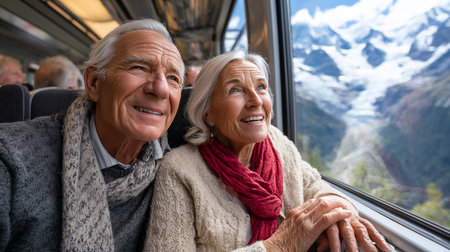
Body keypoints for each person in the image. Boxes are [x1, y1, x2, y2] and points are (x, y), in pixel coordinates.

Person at [146, 51, 391, 251]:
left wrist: (339, 205)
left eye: (261, 87)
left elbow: (314, 186)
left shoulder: (277, 143)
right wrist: (278, 246)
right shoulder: (179, 170)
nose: (255, 100)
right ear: (207, 112)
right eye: (235, 90)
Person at [0, 19, 184, 251]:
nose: (160, 89)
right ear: (94, 82)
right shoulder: (11, 157)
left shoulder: (176, 171)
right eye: (139, 67)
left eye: (173, 78)